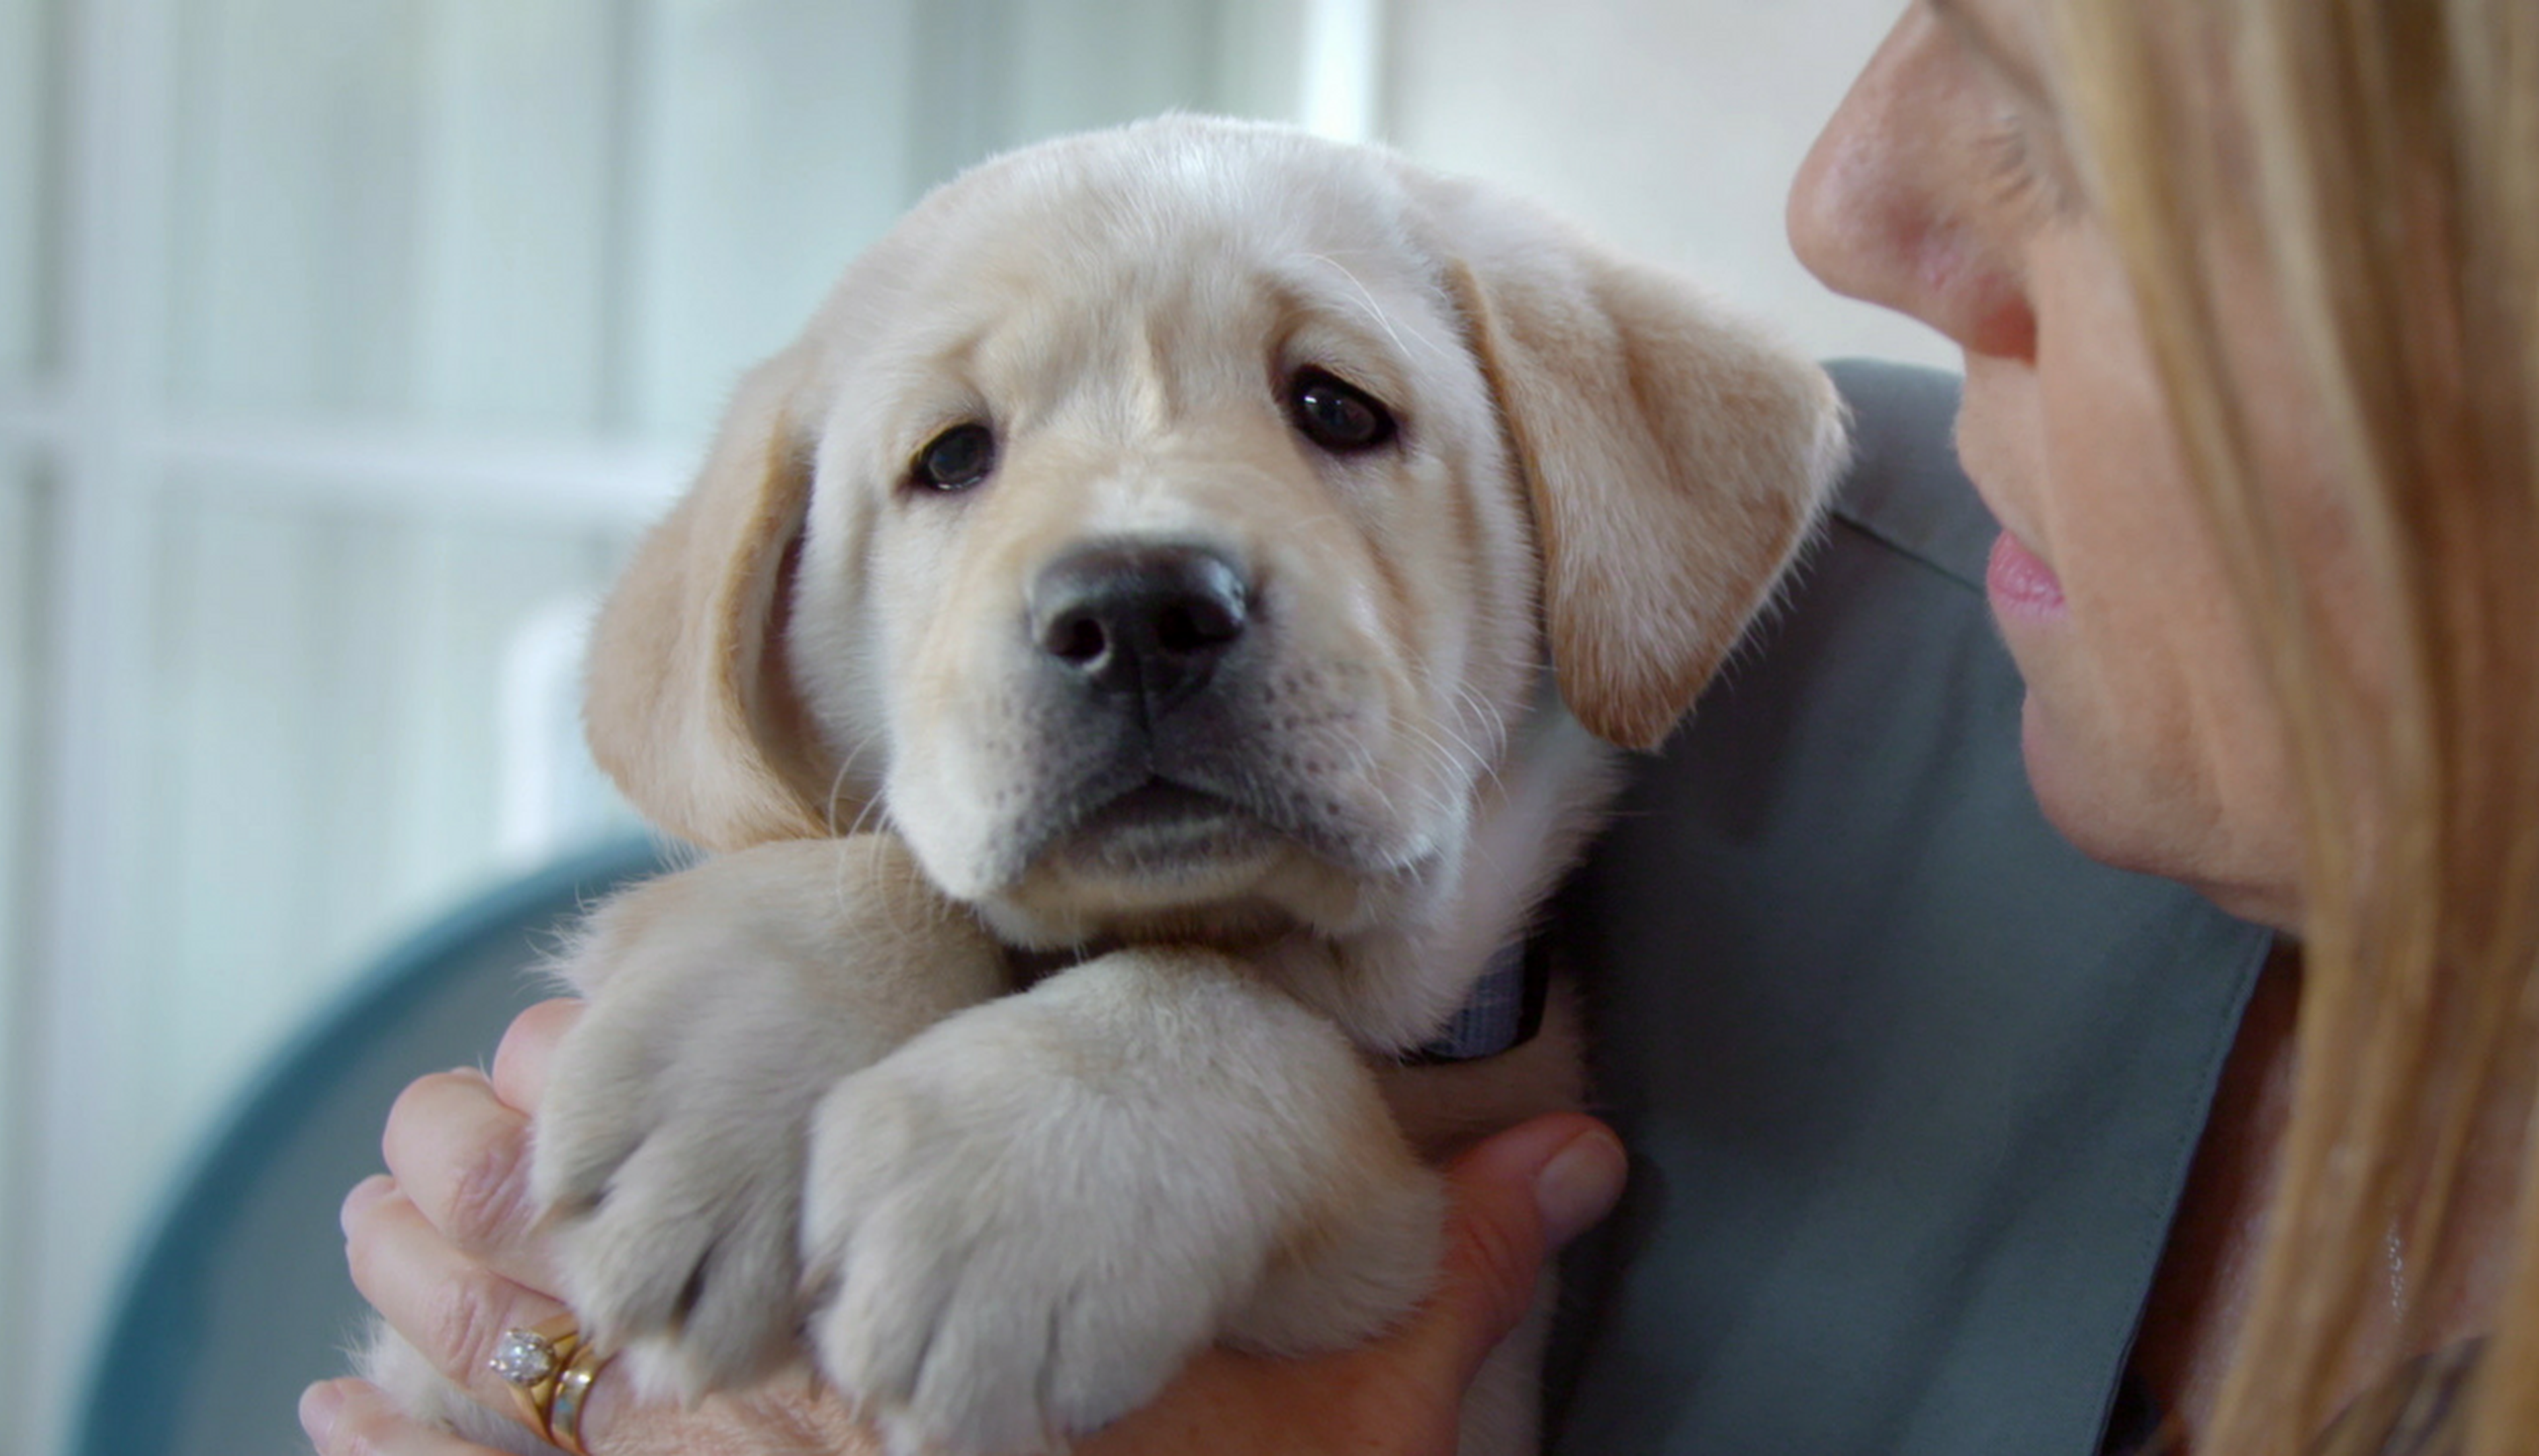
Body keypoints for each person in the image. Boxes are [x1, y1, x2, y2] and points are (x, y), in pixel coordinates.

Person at [301, 1, 2539, 1453]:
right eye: (955, 458)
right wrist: (839, 932)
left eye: (1334, 407)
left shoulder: (1696, 550)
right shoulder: (1908, 609)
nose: (1853, 201)